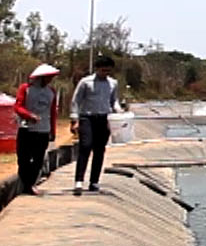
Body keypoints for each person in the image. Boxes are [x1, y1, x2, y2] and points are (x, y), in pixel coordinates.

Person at [70, 55, 126, 194]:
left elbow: (114, 101)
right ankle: (79, 181)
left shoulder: (112, 83)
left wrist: (118, 110)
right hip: (87, 118)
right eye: (103, 70)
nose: (105, 73)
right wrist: (74, 119)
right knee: (85, 146)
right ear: (97, 69)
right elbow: (76, 101)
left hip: (104, 118)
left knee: (99, 150)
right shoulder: (86, 82)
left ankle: (94, 181)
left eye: (108, 71)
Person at [13, 63, 59, 194]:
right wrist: (29, 115)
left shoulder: (51, 92)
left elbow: (52, 113)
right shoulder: (26, 89)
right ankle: (26, 183)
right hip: (26, 128)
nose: (50, 80)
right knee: (23, 158)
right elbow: (18, 107)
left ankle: (30, 184)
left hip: (43, 130)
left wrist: (52, 131)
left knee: (38, 159)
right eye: (48, 77)